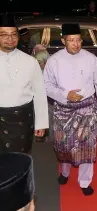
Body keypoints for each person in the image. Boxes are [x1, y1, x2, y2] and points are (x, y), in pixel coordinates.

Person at [44, 23, 97, 196]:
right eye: (71, 40)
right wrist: (66, 94)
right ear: (63, 41)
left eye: (78, 40)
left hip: (87, 108)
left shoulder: (91, 58)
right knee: (63, 145)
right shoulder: (54, 60)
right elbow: (46, 86)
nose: (76, 44)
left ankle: (85, 181)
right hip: (62, 110)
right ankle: (65, 172)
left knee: (87, 146)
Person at [0, 14, 48, 154]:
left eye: (13, 34)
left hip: (22, 120)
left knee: (20, 162)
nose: (10, 38)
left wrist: (41, 123)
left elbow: (39, 93)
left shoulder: (30, 62)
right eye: (4, 35)